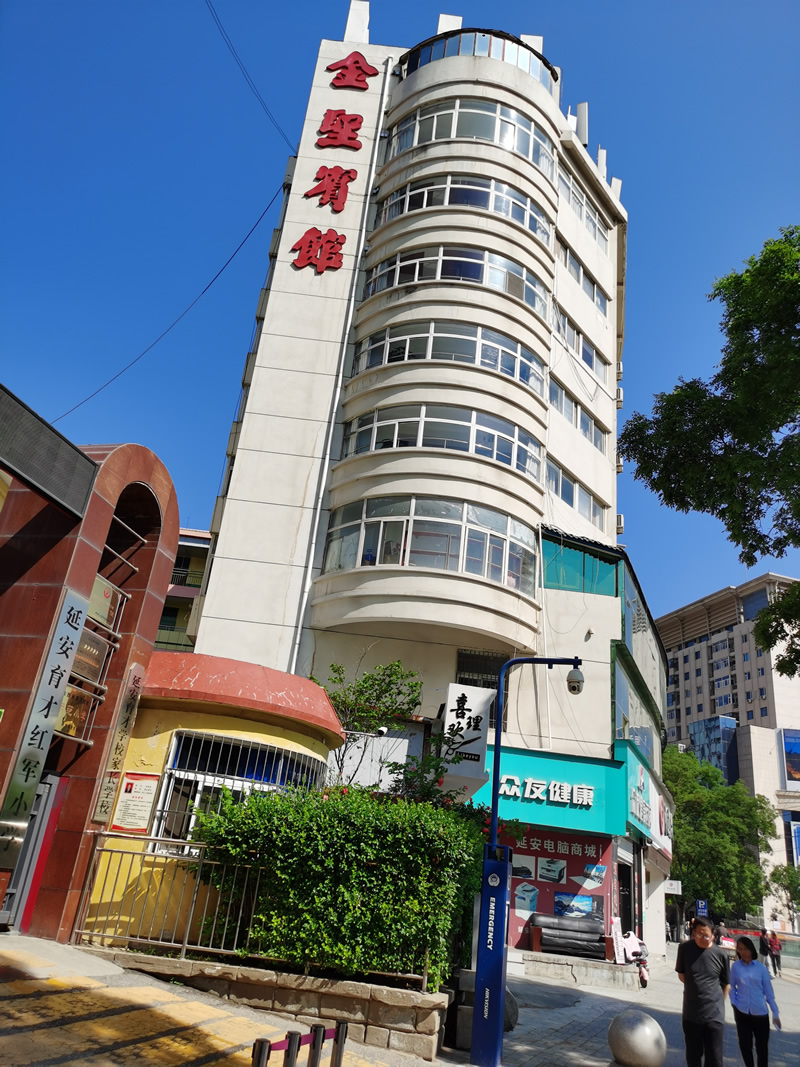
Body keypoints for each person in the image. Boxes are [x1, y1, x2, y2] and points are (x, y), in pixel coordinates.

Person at [676, 915, 731, 1067]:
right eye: (699, 934)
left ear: (713, 935)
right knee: (693, 1057)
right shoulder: (684, 949)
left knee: (714, 1059)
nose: (703, 938)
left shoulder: (721, 955)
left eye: (706, 936)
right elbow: (682, 975)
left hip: (714, 1016)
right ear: (693, 933)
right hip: (691, 1014)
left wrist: (718, 1002)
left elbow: (727, 983)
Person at [730, 935, 781, 1067]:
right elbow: (732, 986)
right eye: (740, 949)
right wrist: (734, 1002)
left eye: (745, 949)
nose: (743, 952)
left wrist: (775, 1013)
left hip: (760, 1013)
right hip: (742, 1012)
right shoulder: (736, 967)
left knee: (762, 1048)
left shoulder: (761, 968)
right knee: (745, 1045)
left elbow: (769, 993)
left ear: (751, 949)